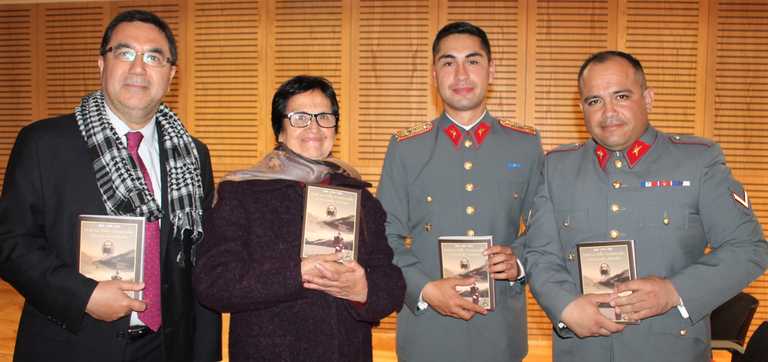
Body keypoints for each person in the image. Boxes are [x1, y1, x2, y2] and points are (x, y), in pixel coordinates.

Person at [0, 9, 221, 362]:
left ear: (171, 74)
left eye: (153, 57)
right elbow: (10, 244)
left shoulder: (193, 155)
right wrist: (82, 295)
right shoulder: (43, 144)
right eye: (125, 53)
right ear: (102, 64)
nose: (138, 68)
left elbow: (198, 262)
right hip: (69, 345)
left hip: (165, 348)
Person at [524, 50, 768, 362]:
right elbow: (540, 254)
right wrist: (566, 307)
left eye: (621, 96)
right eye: (594, 100)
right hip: (583, 350)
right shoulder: (557, 167)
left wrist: (673, 291)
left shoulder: (697, 161)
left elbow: (749, 248)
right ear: (581, 108)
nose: (608, 111)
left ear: (648, 99)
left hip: (668, 349)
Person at [192, 75, 405, 362]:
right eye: (300, 117)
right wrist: (297, 273)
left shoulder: (360, 197)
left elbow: (390, 279)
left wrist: (364, 289)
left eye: (324, 117)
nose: (314, 127)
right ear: (279, 130)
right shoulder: (241, 193)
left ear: (335, 127)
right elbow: (214, 283)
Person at [377, 22, 544, 362]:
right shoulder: (406, 148)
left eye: (473, 60)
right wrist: (424, 289)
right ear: (434, 74)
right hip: (427, 330)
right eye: (448, 62)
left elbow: (545, 229)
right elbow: (384, 236)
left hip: (500, 333)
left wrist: (520, 261)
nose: (461, 74)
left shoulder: (525, 145)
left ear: (492, 70)